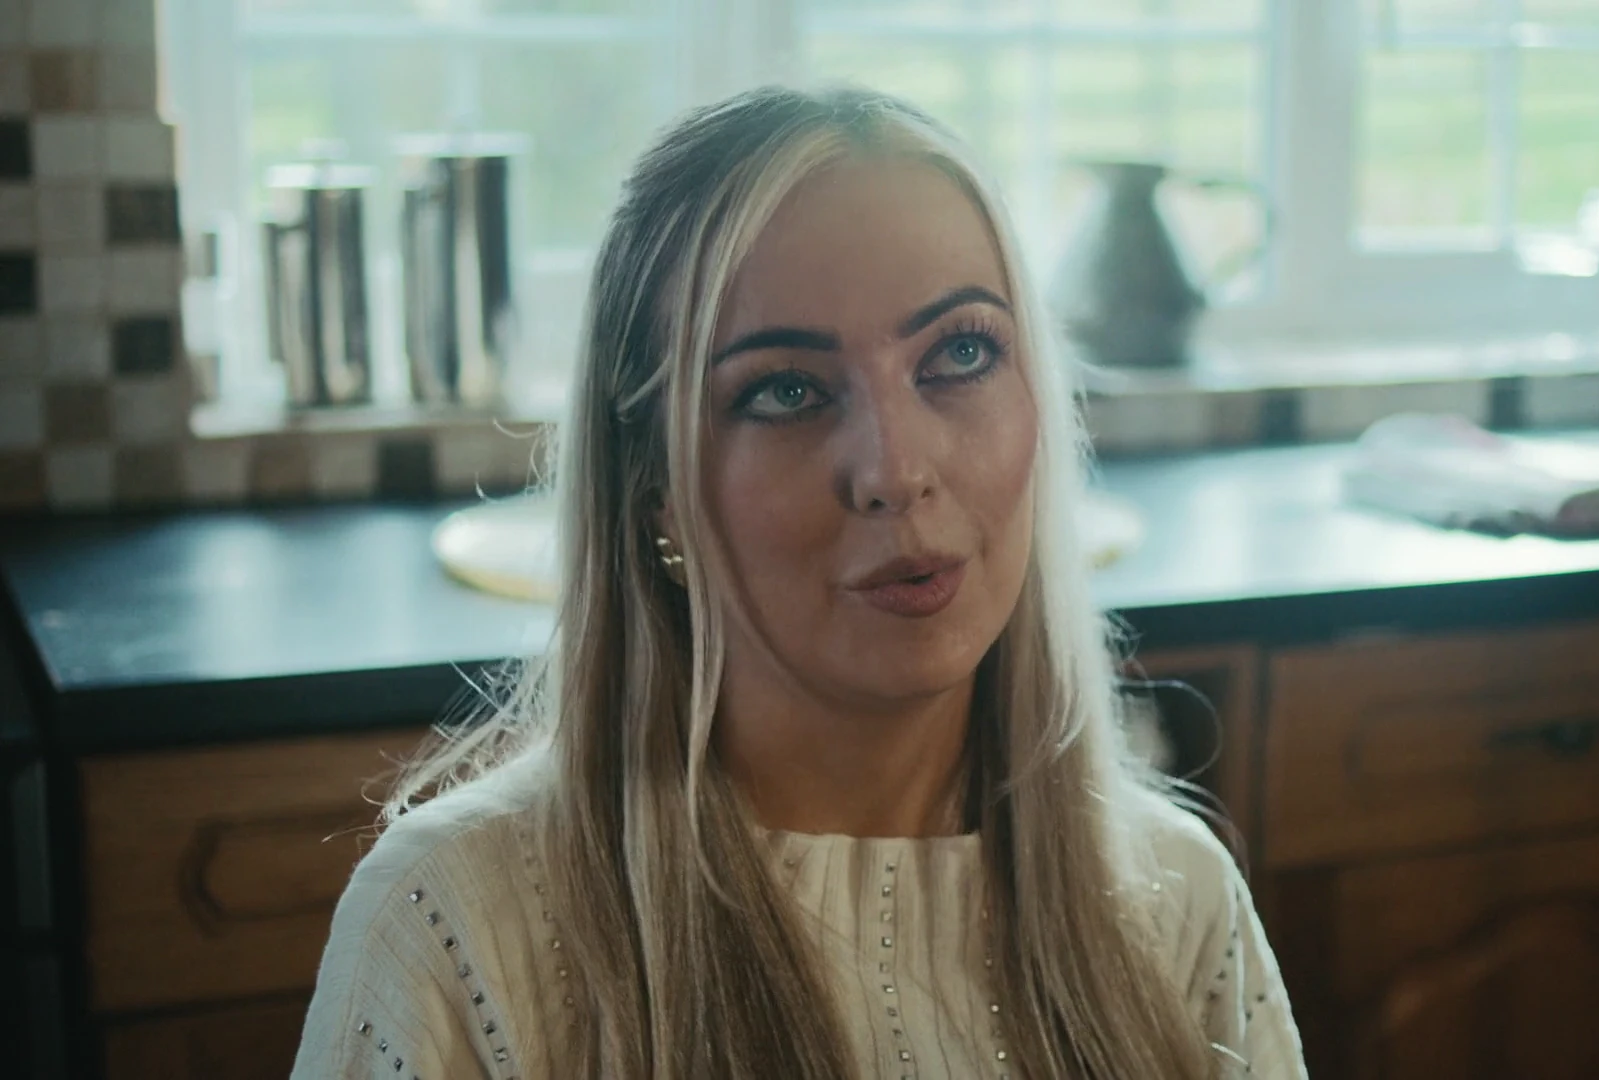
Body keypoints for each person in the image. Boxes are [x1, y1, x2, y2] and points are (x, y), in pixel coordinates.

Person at [292, 84, 1308, 1079]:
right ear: (652, 489)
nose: (895, 469)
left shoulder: (1177, 900)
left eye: (961, 352)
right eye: (786, 391)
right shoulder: (459, 931)